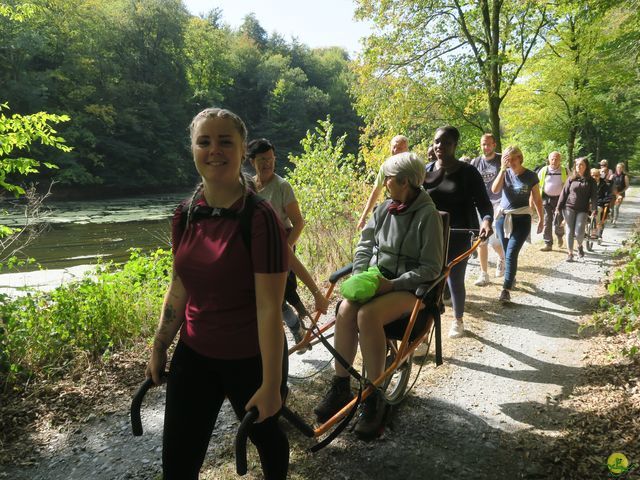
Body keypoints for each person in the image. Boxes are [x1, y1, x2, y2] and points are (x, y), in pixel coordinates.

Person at [146, 107, 289, 479]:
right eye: (204, 141)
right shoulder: (186, 213)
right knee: (177, 463)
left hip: (251, 358)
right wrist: (160, 344)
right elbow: (179, 284)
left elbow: (270, 309)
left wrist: (271, 385)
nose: (215, 150)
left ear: (242, 151)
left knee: (267, 439)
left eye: (226, 141)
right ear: (192, 149)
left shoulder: (261, 219)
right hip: (195, 355)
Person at [314, 152, 444, 439]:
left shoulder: (428, 216)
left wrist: (395, 284)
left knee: (367, 314)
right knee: (346, 309)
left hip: (409, 289)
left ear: (405, 182)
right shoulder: (385, 209)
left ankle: (374, 397)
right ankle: (340, 384)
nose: (384, 184)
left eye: (388, 179)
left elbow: (432, 268)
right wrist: (361, 274)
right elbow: (365, 245)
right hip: (378, 280)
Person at [247, 138, 325, 351]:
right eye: (262, 160)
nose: (268, 164)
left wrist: (287, 247)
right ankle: (298, 326)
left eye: (271, 159)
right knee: (276, 296)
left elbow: (299, 222)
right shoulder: (250, 186)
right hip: (259, 249)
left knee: (280, 295)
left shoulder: (282, 186)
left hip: (283, 242)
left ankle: (296, 330)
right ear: (252, 161)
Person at [425, 127, 493, 338]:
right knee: (428, 281)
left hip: (459, 233)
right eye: (437, 142)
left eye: (446, 143)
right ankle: (423, 331)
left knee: (455, 277)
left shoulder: (468, 172)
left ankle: (458, 320)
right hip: (429, 234)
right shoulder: (426, 170)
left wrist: (487, 222)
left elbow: (484, 204)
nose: (440, 146)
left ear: (455, 145)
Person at [491, 146, 544, 303]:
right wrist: (502, 169)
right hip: (503, 219)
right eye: (507, 158)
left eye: (513, 158)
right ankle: (511, 276)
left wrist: (541, 219)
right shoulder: (504, 173)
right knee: (508, 254)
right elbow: (495, 190)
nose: (511, 162)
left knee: (511, 253)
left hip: (522, 219)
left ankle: (505, 289)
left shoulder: (531, 176)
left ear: (520, 158)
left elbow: (537, 199)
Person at [470, 133, 506, 286]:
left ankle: (502, 258)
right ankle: (484, 274)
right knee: (481, 240)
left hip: (498, 203)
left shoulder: (501, 160)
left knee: (495, 241)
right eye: (483, 144)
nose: (486, 147)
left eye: (488, 144)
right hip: (481, 205)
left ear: (494, 145)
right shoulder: (475, 162)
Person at [357, 135, 410, 230]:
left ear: (406, 149)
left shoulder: (412, 165)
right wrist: (363, 217)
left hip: (410, 208)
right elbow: (376, 192)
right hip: (392, 207)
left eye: (400, 148)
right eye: (394, 147)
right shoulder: (386, 166)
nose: (396, 150)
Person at [556, 157, 597, 262]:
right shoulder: (571, 178)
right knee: (569, 230)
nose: (579, 166)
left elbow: (594, 196)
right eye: (577, 164)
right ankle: (570, 254)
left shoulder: (591, 181)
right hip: (569, 207)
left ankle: (579, 246)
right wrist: (558, 207)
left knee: (579, 232)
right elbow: (564, 193)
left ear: (586, 166)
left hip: (583, 209)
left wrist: (594, 209)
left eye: (581, 164)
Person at [537, 151, 568, 251]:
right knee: (547, 220)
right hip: (546, 198)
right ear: (549, 160)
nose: (554, 161)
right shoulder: (543, 170)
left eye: (556, 159)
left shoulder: (565, 170)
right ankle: (548, 244)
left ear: (560, 160)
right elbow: (536, 184)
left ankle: (559, 236)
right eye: (552, 159)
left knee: (559, 220)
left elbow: (570, 184)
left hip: (560, 199)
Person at [590, 168, 612, 239]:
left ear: (599, 176)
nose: (594, 177)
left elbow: (608, 197)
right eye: (592, 175)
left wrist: (601, 202)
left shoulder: (605, 185)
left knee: (597, 209)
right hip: (588, 204)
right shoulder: (587, 184)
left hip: (600, 205)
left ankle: (595, 229)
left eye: (596, 175)